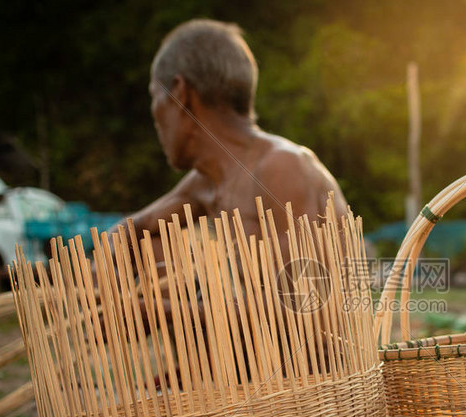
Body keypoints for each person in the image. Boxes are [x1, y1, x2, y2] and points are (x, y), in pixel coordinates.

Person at [131, 18, 348, 259]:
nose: (154, 114)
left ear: (180, 93)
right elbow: (133, 230)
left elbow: (300, 291)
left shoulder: (281, 166)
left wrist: (187, 298)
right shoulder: (205, 181)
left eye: (155, 95)